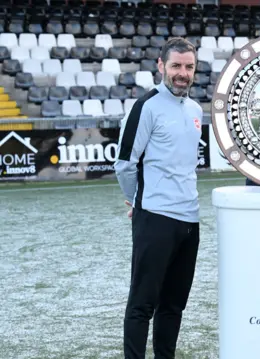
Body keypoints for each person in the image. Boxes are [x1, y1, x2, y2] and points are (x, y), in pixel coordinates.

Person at [114, 37, 203, 359]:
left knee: (173, 305)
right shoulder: (146, 107)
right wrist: (137, 202)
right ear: (161, 66)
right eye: (176, 65)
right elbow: (125, 164)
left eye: (189, 67)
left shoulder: (195, 109)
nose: (183, 73)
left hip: (190, 220)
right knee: (142, 304)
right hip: (155, 218)